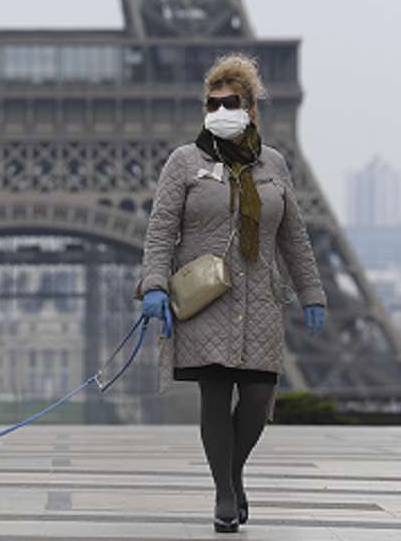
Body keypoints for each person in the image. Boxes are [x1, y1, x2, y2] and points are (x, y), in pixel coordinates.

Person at [137, 54, 326, 533]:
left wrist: (312, 292)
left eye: (230, 102)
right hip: (207, 296)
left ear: (251, 110)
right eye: (213, 102)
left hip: (260, 296)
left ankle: (232, 473)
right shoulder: (185, 161)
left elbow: (295, 237)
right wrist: (155, 285)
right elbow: (162, 230)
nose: (221, 109)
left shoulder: (274, 165)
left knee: (259, 394)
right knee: (215, 392)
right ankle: (225, 492)